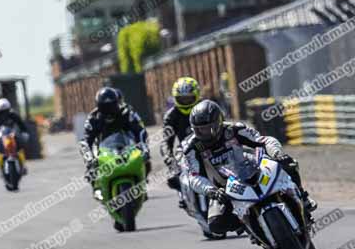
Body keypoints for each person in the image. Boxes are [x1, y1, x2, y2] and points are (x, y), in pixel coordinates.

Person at [182, 100, 317, 236]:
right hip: (224, 188)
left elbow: (263, 140)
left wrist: (277, 153)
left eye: (206, 128)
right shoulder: (192, 148)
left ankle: (303, 198)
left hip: (251, 170)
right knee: (216, 225)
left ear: (218, 122)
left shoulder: (234, 129)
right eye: (198, 130)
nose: (203, 133)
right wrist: (211, 191)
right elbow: (194, 176)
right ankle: (249, 225)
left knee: (289, 163)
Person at [80, 87, 150, 180]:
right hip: (102, 152)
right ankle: (97, 191)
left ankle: (142, 183)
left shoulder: (127, 113)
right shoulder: (93, 119)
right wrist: (90, 160)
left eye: (112, 106)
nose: (109, 110)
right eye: (105, 107)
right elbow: (85, 141)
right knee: (92, 173)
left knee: (146, 162)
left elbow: (140, 130)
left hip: (127, 147)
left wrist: (143, 147)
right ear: (99, 106)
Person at [160, 77, 202, 208]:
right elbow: (166, 141)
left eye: (189, 98)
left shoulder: (206, 107)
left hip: (209, 146)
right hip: (185, 150)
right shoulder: (171, 116)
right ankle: (183, 194)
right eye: (182, 98)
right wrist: (168, 157)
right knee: (173, 176)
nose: (186, 101)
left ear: (196, 96)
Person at [0, 98, 29, 174]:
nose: (4, 114)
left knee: (21, 146)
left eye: (5, 111)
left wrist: (24, 133)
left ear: (8, 109)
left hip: (11, 134)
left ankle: (23, 166)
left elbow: (21, 124)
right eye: (1, 112)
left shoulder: (13, 115)